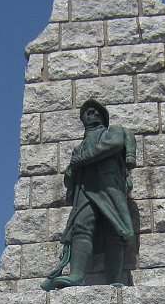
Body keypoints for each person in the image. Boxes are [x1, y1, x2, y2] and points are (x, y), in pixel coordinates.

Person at [41, 98, 137, 290]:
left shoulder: (113, 130)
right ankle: (76, 275)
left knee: (115, 229)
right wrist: (71, 170)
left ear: (102, 116)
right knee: (80, 227)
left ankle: (115, 279)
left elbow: (114, 144)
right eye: (87, 112)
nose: (91, 114)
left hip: (109, 188)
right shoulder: (78, 147)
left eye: (95, 111)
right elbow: (71, 176)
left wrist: (81, 160)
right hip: (86, 190)